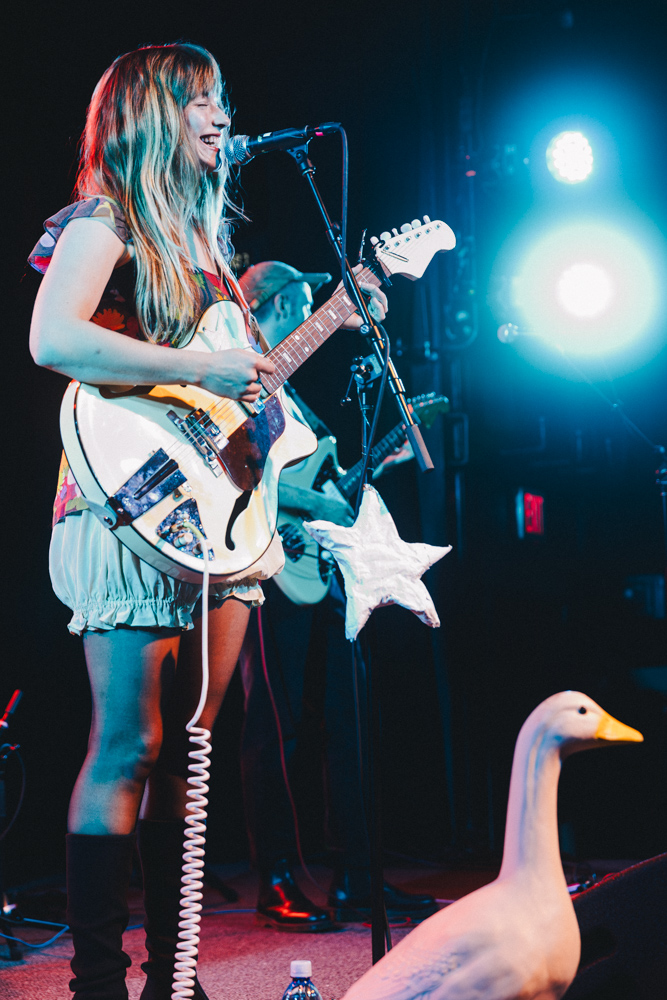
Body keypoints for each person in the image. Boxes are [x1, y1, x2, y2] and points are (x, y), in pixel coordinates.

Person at [28, 45, 387, 1000]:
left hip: (213, 517)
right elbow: (53, 337)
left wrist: (334, 322)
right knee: (129, 743)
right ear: (152, 114)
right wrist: (202, 371)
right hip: (126, 505)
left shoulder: (208, 254)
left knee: (196, 743)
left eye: (225, 99)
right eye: (202, 100)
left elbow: (233, 396)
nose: (223, 116)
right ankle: (99, 981)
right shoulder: (103, 222)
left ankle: (173, 977)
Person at [237, 261, 437, 932]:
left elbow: (318, 481)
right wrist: (314, 498)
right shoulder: (239, 380)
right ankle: (278, 879)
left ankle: (357, 875)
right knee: (275, 728)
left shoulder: (296, 402)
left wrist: (364, 471)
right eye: (294, 303)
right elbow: (244, 474)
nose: (303, 316)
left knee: (347, 721)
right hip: (268, 572)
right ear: (264, 306)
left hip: (319, 572)